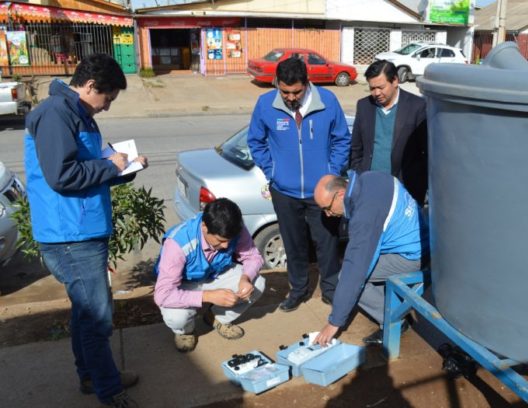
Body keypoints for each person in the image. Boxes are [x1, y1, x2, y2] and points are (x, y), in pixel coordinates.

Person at [24, 54, 147, 407]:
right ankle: (109, 390)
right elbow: (62, 176)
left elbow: (87, 170)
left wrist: (125, 167)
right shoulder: (56, 114)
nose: (106, 107)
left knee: (85, 314)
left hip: (82, 229)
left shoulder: (79, 114)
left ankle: (92, 376)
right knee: (96, 317)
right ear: (91, 86)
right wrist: (109, 165)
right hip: (70, 236)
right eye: (106, 99)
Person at [248, 57, 351, 312]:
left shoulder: (327, 101)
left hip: (322, 194)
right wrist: (272, 173)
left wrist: (331, 174)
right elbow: (256, 142)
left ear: (307, 83)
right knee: (293, 245)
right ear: (276, 84)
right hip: (284, 192)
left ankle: (330, 290)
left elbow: (341, 140)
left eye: (296, 91)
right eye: (285, 91)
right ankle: (298, 290)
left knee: (326, 244)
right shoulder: (265, 105)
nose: (291, 97)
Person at [312, 171, 429, 347]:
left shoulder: (364, 216)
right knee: (358, 266)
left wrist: (334, 322)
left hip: (414, 257)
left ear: (341, 194)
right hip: (424, 237)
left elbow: (354, 272)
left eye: (327, 208)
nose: (328, 214)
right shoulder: (371, 177)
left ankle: (393, 319)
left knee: (349, 277)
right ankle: (393, 306)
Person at [154, 198, 265, 352]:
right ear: (204, 227)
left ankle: (216, 317)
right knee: (176, 318)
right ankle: (185, 331)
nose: (226, 246)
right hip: (184, 283)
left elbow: (253, 257)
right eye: (220, 240)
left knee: (257, 284)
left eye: (229, 240)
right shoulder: (177, 243)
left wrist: (245, 278)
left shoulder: (235, 229)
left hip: (215, 273)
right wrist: (208, 296)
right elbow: (162, 295)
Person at [350, 60, 428, 206]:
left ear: (395, 81)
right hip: (369, 188)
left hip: (405, 190)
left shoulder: (417, 106)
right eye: (372, 88)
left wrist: (421, 185)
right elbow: (356, 147)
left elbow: (426, 151)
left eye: (381, 87)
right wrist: (359, 174)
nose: (376, 93)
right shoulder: (364, 106)